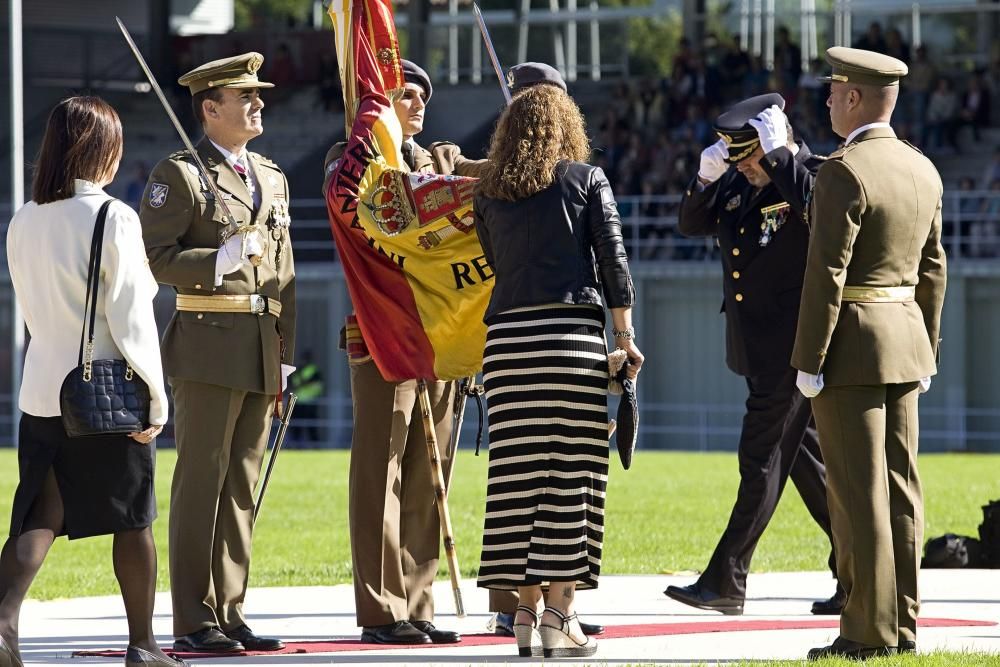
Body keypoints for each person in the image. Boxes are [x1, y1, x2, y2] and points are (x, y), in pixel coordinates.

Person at [2, 96, 181, 667]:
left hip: (42, 387)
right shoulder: (113, 216)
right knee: (134, 519)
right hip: (105, 392)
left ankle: (3, 626)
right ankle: (143, 645)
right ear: (104, 148)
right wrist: (155, 395)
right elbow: (131, 316)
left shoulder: (24, 217)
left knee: (39, 516)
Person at [474, 62, 643, 659]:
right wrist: (623, 338)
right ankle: (561, 615)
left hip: (507, 346)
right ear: (567, 117)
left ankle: (521, 611)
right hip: (569, 340)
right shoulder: (586, 178)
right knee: (573, 477)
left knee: (515, 480)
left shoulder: (487, 192)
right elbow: (613, 263)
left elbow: (496, 266)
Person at [793, 46, 947, 660]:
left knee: (858, 496)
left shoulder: (843, 170)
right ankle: (903, 625)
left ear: (855, 97)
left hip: (852, 347)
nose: (828, 100)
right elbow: (934, 270)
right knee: (901, 489)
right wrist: (927, 347)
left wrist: (808, 359)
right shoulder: (921, 168)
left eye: (834, 91)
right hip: (906, 342)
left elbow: (825, 274)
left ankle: (866, 632)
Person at [322, 59, 482, 646]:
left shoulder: (437, 161)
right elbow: (359, 210)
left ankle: (418, 602)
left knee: (428, 472)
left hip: (440, 335)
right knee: (380, 469)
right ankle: (381, 607)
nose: (415, 104)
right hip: (382, 332)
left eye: (420, 97)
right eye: (402, 95)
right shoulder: (351, 164)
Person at [139, 53, 296, 653]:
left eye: (259, 96)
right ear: (211, 109)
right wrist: (219, 260)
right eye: (245, 97)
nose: (258, 105)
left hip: (260, 343)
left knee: (241, 483)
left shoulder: (273, 177)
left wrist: (286, 350)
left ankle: (229, 607)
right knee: (202, 480)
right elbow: (154, 259)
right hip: (207, 344)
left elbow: (286, 273)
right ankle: (192, 616)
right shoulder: (180, 175)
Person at [666, 93, 842, 617]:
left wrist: (782, 156)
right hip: (758, 346)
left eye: (752, 157)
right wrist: (704, 179)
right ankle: (858, 574)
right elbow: (691, 224)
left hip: (795, 347)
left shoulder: (811, 172)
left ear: (773, 141)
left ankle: (726, 579)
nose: (746, 167)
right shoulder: (743, 182)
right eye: (738, 159)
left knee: (760, 459)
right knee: (808, 465)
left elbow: (820, 214)